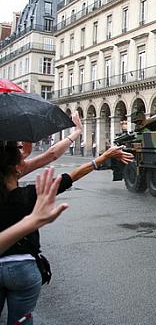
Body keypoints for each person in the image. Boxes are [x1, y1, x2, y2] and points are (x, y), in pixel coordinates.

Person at [0, 141, 133, 324]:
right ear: (17, 169)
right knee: (21, 321)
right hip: (24, 269)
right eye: (22, 160)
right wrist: (103, 157)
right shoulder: (30, 195)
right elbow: (71, 177)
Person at [0, 168, 68, 254]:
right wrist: (33, 221)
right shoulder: (25, 196)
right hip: (25, 257)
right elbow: (52, 154)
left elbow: (52, 154)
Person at [16, 114, 83, 179]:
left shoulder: (12, 167)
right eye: (18, 147)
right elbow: (52, 154)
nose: (20, 145)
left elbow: (51, 154)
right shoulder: (17, 168)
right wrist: (77, 132)